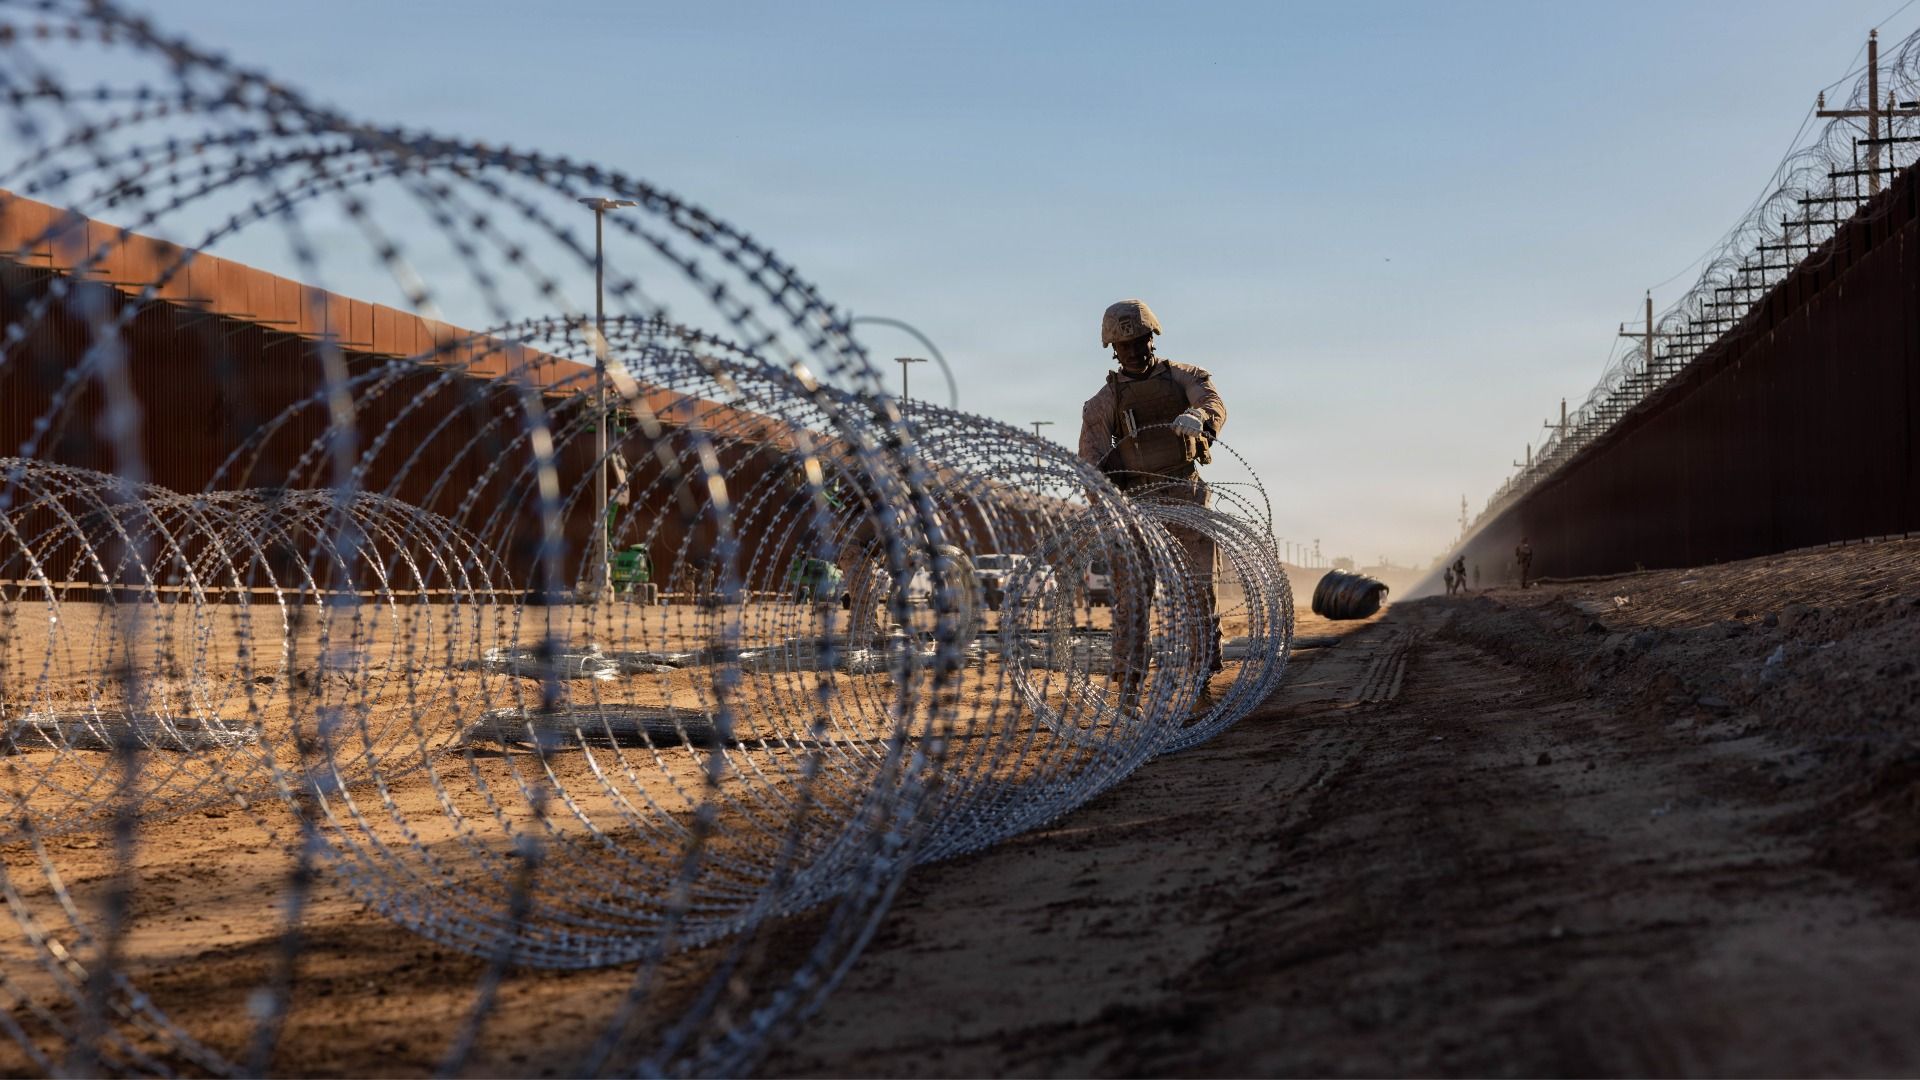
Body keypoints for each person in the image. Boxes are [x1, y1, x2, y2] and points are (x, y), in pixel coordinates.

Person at [1078, 298, 1227, 701]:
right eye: (1126, 346)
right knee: (1133, 598)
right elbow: (1089, 458)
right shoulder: (1104, 401)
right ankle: (1128, 687)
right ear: (1113, 348)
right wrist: (1106, 503)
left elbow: (1210, 399)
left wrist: (1202, 418)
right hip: (1135, 504)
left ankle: (1201, 684)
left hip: (1183, 494)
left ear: (1152, 337)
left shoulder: (1182, 377)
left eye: (1141, 341)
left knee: (1196, 592)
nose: (1136, 350)